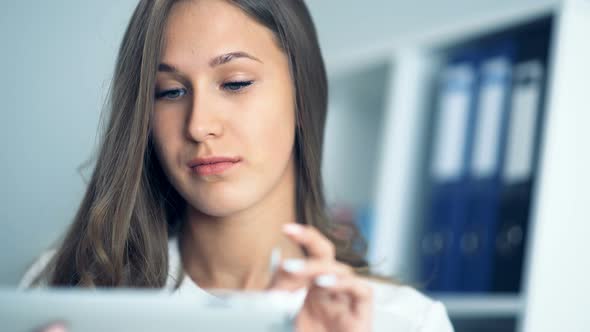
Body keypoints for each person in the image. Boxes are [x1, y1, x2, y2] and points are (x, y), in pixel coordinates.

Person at [20, 0, 454, 331]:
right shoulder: (65, 286)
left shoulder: (405, 322)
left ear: (302, 95)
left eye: (236, 83)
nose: (199, 125)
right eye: (170, 92)